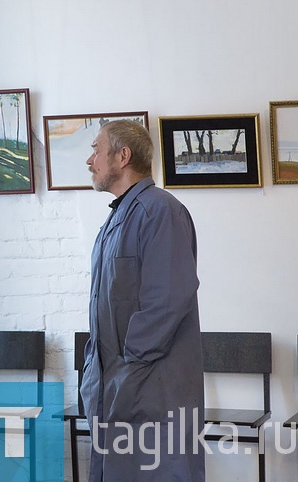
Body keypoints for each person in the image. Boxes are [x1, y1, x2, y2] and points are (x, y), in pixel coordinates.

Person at [80, 119, 205, 481]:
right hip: (119, 387)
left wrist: (128, 366)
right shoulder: (117, 219)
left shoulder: (160, 211)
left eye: (96, 150)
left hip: (151, 389)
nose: (90, 161)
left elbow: (167, 302)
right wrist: (96, 368)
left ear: (123, 156)